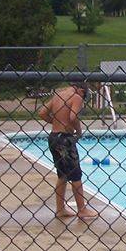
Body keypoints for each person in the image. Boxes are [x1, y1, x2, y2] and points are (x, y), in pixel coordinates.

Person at [38, 82, 98, 220]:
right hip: (65, 139)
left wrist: (55, 122)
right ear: (81, 91)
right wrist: (78, 130)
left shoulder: (58, 95)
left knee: (62, 175)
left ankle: (60, 209)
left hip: (53, 138)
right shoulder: (76, 97)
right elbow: (73, 117)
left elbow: (42, 113)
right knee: (76, 174)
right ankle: (82, 209)